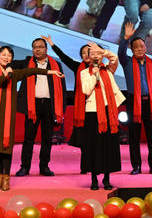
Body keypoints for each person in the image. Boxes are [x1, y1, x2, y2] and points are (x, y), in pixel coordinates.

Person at [0, 46, 63, 191]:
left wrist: (50, 72)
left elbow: (31, 71)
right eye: (3, 55)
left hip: (7, 116)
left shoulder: (14, 73)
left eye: (9, 55)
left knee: (5, 147)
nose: (6, 57)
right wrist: (5, 75)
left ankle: (6, 179)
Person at [42, 36, 117, 175]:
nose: (87, 55)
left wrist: (102, 52)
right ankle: (86, 164)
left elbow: (114, 59)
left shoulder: (105, 69)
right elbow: (64, 57)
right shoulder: (80, 69)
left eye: (90, 52)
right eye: (84, 53)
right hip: (84, 108)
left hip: (102, 107)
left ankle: (101, 166)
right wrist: (52, 44)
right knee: (85, 139)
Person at [11, 38, 67, 177]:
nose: (37, 49)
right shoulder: (27, 63)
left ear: (46, 49)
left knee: (47, 139)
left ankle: (44, 167)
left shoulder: (55, 65)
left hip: (49, 105)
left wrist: (61, 108)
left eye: (40, 47)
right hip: (32, 106)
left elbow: (62, 87)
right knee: (28, 138)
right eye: (35, 47)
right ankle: (25, 167)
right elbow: (10, 63)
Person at [119, 22, 152, 176]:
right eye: (136, 47)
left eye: (142, 46)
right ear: (132, 50)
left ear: (145, 47)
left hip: (151, 103)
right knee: (134, 137)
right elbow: (120, 53)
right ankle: (136, 166)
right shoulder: (127, 62)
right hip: (133, 103)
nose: (139, 48)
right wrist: (126, 38)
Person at [80, 44, 125, 190]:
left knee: (107, 146)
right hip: (93, 112)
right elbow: (86, 90)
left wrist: (103, 51)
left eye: (98, 54)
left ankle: (106, 179)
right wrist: (94, 75)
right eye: (92, 54)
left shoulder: (108, 69)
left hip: (109, 111)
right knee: (94, 145)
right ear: (88, 57)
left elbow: (115, 58)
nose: (96, 56)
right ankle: (94, 179)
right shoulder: (85, 73)